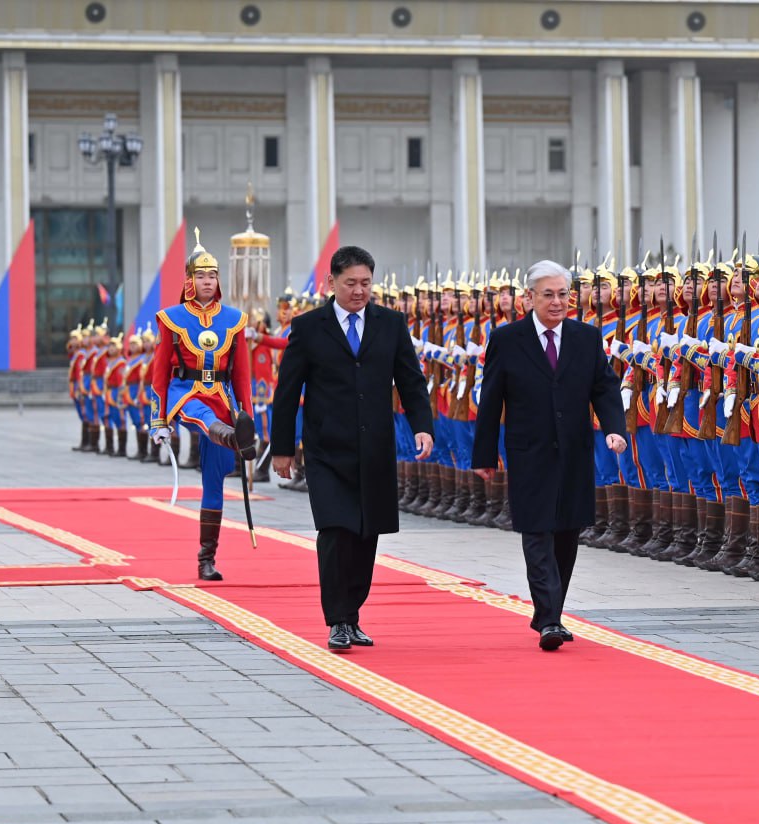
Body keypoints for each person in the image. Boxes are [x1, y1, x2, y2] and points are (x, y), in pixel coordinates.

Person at [270, 245, 435, 652]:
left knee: (366, 533)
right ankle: (337, 620)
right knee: (335, 531)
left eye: (365, 283)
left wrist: (423, 428)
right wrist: (283, 448)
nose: (359, 291)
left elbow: (411, 381)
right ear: (331, 283)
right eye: (351, 283)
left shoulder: (391, 324)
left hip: (375, 446)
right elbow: (287, 391)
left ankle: (354, 613)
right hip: (327, 449)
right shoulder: (309, 328)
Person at [471, 259, 628, 651]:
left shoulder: (586, 337)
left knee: (567, 533)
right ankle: (550, 618)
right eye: (548, 295)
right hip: (529, 452)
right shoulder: (507, 339)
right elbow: (491, 401)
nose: (557, 302)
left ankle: (549, 612)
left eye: (563, 294)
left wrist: (614, 430)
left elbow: (604, 389)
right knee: (537, 531)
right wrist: (484, 455)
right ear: (529, 298)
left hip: (574, 450)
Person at [147, 230, 257, 581]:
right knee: (203, 414)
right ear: (189, 281)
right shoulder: (171, 317)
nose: (207, 281)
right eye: (201, 275)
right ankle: (227, 434)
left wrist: (247, 418)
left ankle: (206, 558)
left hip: (223, 397)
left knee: (214, 482)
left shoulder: (235, 319)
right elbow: (160, 373)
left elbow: (241, 376)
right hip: (187, 393)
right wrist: (158, 420)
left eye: (212, 275)